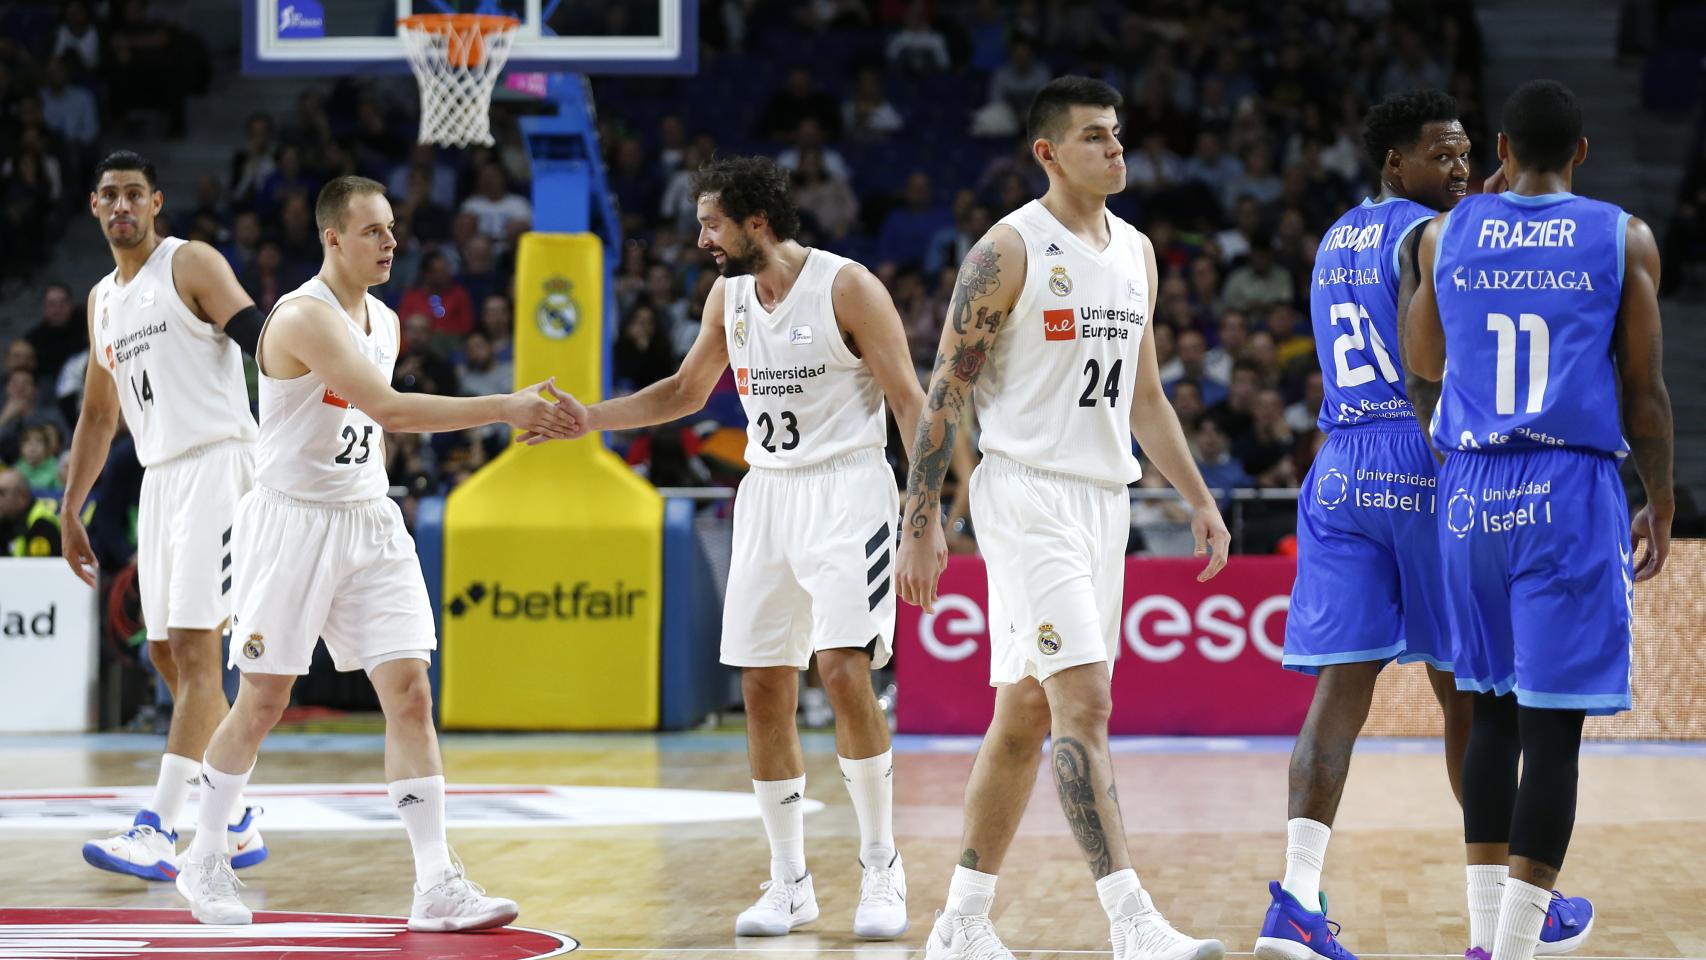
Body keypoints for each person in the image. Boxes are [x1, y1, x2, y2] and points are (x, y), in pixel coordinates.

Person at [173, 175, 573, 928]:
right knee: (263, 699)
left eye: (392, 229)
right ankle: (203, 856)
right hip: (292, 522)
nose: (392, 242)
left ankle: (436, 884)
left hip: (367, 517)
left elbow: (370, 430)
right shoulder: (301, 318)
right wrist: (505, 406)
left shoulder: (385, 320)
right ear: (332, 238)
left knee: (412, 692)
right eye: (373, 232)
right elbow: (388, 408)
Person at [895, 76, 1231, 960]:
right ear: (1048, 152)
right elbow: (945, 393)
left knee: (1024, 714)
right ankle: (1131, 922)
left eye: (1118, 134)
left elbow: (1146, 394)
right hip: (1026, 493)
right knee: (1086, 700)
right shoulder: (1008, 249)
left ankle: (961, 921)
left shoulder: (1139, 252)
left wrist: (1196, 496)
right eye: (1094, 137)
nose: (1116, 149)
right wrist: (920, 514)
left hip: (1101, 499)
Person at [549, 156, 924, 940]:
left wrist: (927, 514)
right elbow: (685, 393)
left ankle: (882, 867)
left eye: (711, 223)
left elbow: (910, 403)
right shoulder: (729, 296)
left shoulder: (847, 286)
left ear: (757, 222)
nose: (700, 240)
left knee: (844, 670)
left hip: (848, 489)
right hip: (768, 495)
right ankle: (789, 881)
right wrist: (589, 417)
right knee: (761, 685)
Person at [1405, 79, 1671, 960]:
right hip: (1568, 491)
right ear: (1584, 154)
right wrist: (1659, 497)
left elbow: (1424, 362)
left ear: (1501, 152)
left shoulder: (1446, 233)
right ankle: (1512, 951)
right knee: (1554, 729)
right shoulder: (1622, 235)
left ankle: (1484, 937)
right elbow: (1646, 394)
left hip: (1473, 489)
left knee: (1489, 712)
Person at [65, 151, 270, 882]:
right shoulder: (102, 302)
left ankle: (157, 827)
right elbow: (97, 413)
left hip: (219, 463)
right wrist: (71, 507)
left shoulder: (190, 264)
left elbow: (261, 337)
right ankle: (239, 816)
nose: (122, 206)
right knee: (164, 655)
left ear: (156, 203)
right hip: (161, 480)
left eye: (134, 195)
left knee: (194, 651)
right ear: (94, 206)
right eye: (109, 195)